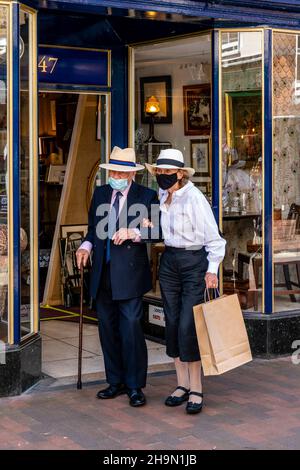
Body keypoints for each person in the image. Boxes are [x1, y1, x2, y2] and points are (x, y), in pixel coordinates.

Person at [76, 146, 160, 407]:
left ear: (131, 174)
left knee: (131, 329)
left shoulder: (147, 196)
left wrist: (133, 233)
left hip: (131, 275)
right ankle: (115, 381)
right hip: (102, 274)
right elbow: (92, 230)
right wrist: (85, 247)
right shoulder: (101, 193)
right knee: (107, 329)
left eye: (121, 172)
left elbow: (158, 232)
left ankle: (135, 386)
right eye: (113, 170)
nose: (116, 175)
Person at [145, 148, 226, 414]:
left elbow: (215, 239)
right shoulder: (161, 194)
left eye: (167, 173)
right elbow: (157, 227)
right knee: (172, 322)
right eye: (159, 172)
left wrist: (212, 270)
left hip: (194, 263)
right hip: (169, 261)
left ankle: (196, 388)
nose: (162, 177)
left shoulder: (194, 199)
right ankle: (181, 385)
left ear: (180, 174)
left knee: (188, 326)